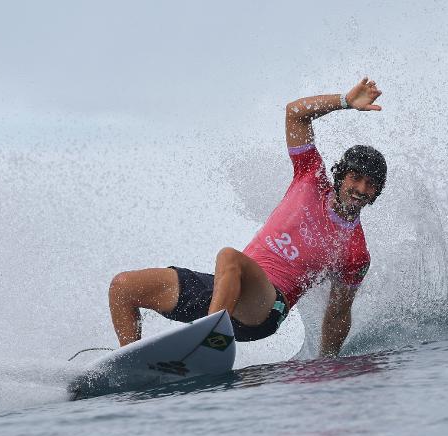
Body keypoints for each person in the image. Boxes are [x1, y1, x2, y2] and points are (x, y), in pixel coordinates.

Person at [109, 77, 386, 357]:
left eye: (371, 184)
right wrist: (344, 102)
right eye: (355, 178)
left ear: (377, 193)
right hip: (227, 293)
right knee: (123, 287)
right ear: (340, 177)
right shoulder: (309, 177)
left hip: (265, 310)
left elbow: (338, 313)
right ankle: (133, 364)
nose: (361, 189)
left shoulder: (355, 251)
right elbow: (295, 114)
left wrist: (328, 363)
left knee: (230, 257)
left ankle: (209, 343)